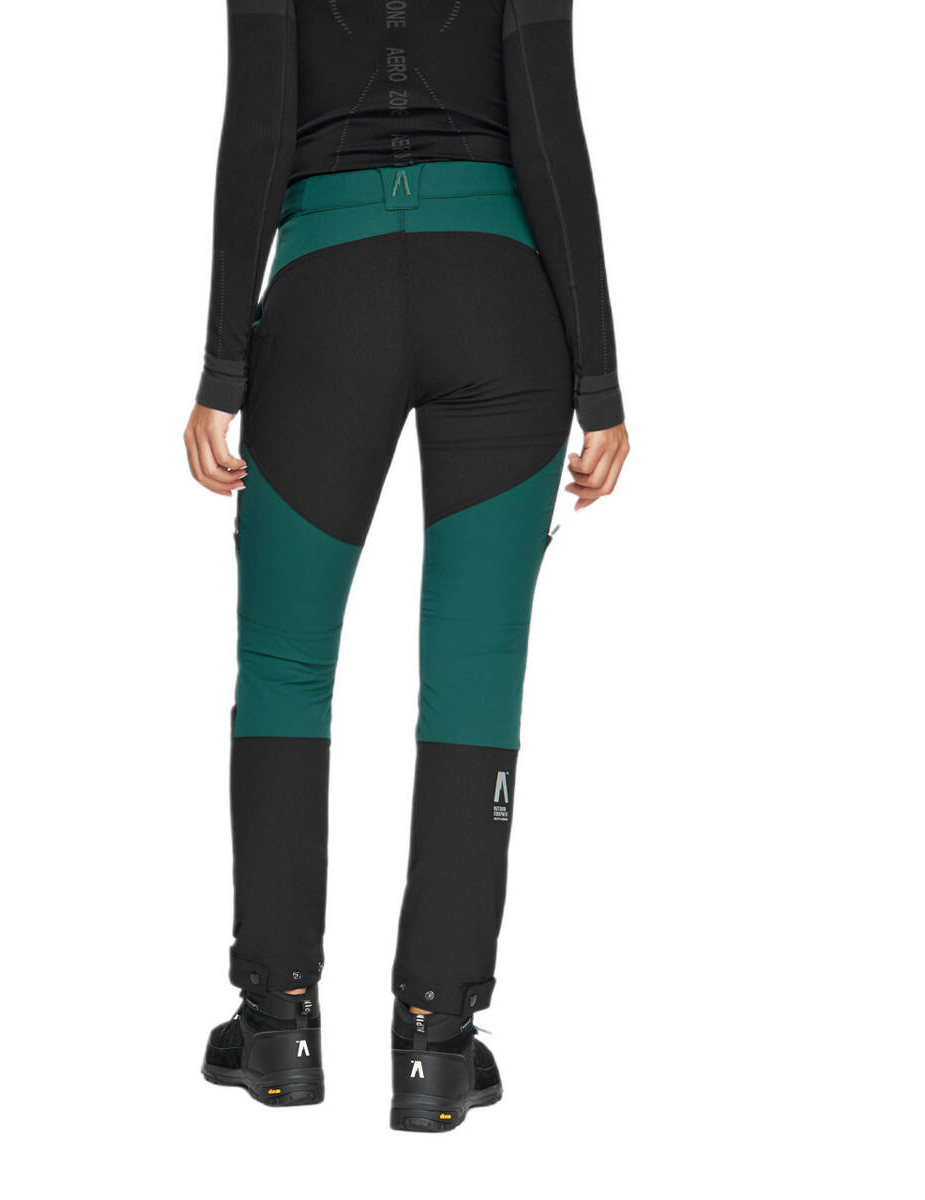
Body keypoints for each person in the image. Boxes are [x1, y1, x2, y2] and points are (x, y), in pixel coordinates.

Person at [185, 0, 630, 1132]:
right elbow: (549, 124)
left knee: (285, 668)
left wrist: (223, 369)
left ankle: (277, 1023)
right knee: (475, 676)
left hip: (325, 298)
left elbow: (257, 127)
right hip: (501, 300)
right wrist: (601, 384)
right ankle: (436, 1042)